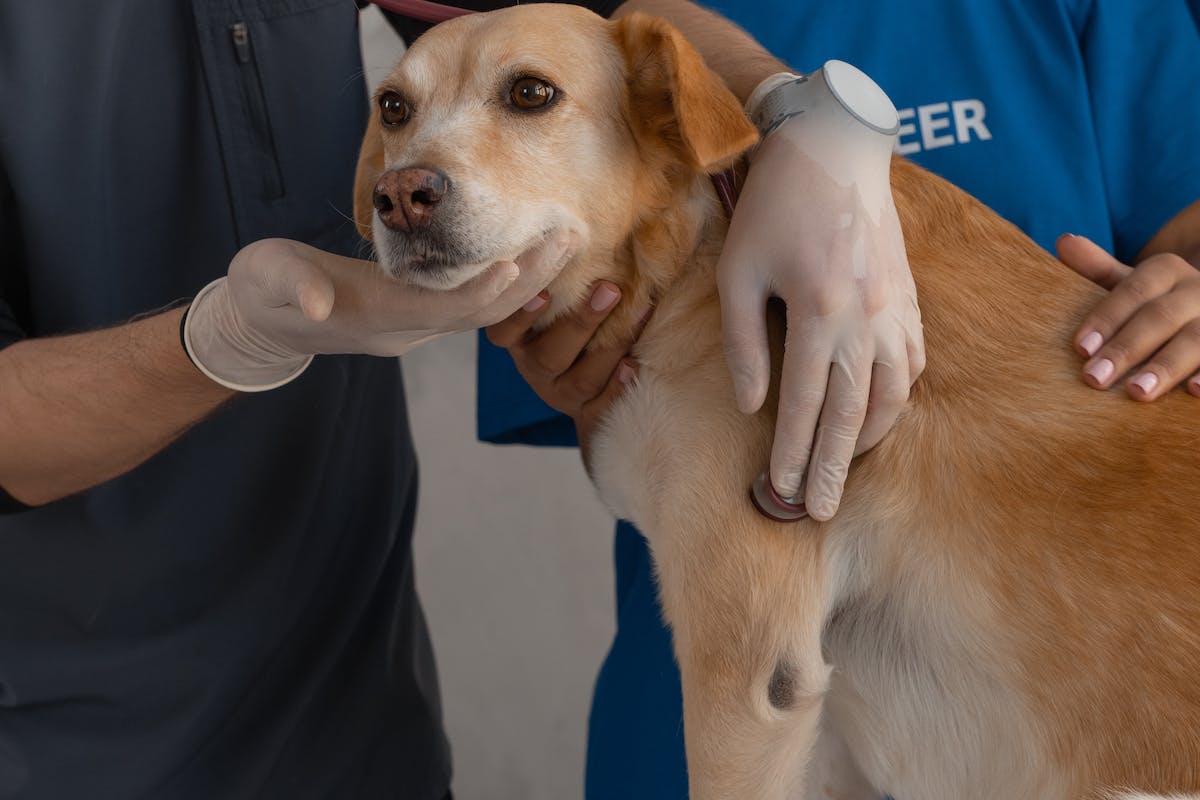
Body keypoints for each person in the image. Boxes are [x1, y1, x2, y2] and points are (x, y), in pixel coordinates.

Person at [0, 1, 918, 798]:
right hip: (73, 750)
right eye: (396, 111)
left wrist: (802, 116)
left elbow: (614, 19)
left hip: (357, 729)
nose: (406, 186)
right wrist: (231, 338)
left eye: (524, 101)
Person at [477, 0, 1200, 796]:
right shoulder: (582, 47)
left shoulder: (1094, 14)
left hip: (1075, 713)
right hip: (712, 711)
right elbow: (595, 410)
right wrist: (598, 377)